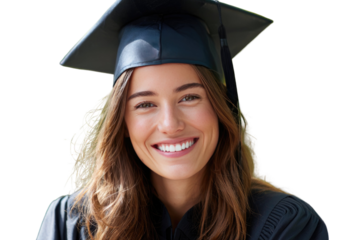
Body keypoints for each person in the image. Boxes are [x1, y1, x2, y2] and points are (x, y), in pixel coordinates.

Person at [36, 1, 329, 239]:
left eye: (189, 97)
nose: (170, 124)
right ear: (122, 123)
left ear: (220, 107)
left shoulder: (284, 225)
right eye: (145, 104)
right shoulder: (71, 224)